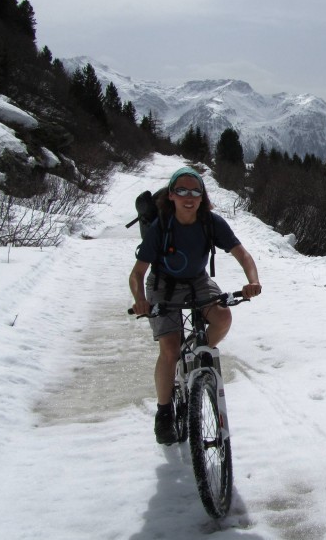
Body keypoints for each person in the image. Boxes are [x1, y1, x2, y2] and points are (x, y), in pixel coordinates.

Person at [129, 166, 261, 444]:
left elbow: (243, 254)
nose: (189, 197)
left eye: (195, 191)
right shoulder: (161, 226)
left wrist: (253, 280)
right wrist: (140, 300)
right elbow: (138, 272)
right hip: (163, 284)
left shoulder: (210, 222)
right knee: (169, 350)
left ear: (202, 196)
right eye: (182, 191)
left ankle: (193, 351)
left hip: (197, 281)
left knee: (222, 318)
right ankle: (164, 413)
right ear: (172, 195)